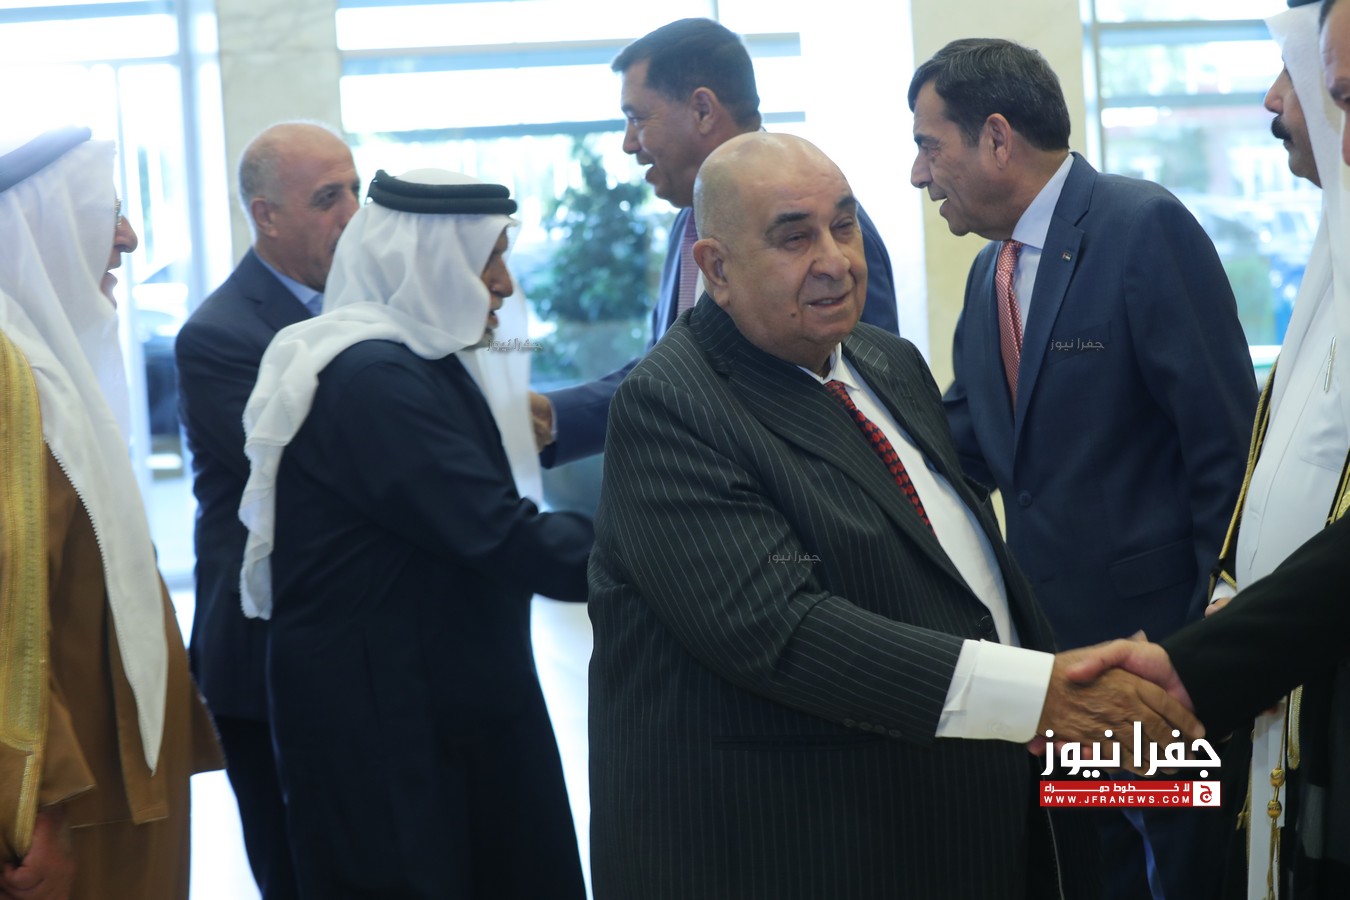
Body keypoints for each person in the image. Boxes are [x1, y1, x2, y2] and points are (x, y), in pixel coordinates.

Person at [587, 131, 1207, 900]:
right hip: (806, 847)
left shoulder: (886, 361)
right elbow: (782, 631)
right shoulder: (671, 405)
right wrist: (1036, 695)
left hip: (970, 818)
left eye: (844, 225)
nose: (836, 261)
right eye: (794, 238)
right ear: (715, 268)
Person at [909, 37, 1257, 899]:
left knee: (1185, 873)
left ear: (996, 137)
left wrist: (1202, 644)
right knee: (1100, 876)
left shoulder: (1141, 227)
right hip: (1060, 673)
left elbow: (1224, 446)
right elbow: (967, 447)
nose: (919, 174)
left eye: (929, 146)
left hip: (1159, 664)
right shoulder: (988, 272)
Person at [236, 168, 593, 899]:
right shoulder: (372, 379)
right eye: (488, 262)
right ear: (428, 265)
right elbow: (498, 532)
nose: (503, 286)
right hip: (387, 724)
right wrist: (664, 553)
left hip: (431, 696)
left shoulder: (411, 362)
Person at [1078, 3, 1350, 895]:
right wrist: (1225, 605)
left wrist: (1198, 662)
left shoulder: (1140, 228)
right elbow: (1266, 467)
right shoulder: (1330, 264)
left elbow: (1212, 440)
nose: (1277, 102)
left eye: (1327, 93)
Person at [0, 126, 222, 899]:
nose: (126, 239)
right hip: (69, 810)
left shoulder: (50, 371)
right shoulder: (11, 382)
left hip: (116, 783)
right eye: (107, 213)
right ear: (41, 227)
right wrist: (34, 808)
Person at [534, 17, 900, 466]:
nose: (629, 143)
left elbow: (869, 393)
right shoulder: (689, 222)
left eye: (637, 118)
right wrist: (553, 416)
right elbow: (670, 378)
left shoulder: (838, 238)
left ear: (703, 110)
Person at [174, 120, 359, 900]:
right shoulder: (220, 335)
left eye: (356, 190)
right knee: (297, 869)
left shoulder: (363, 305)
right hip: (266, 653)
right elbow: (315, 472)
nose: (352, 214)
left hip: (351, 646)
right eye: (328, 198)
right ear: (266, 215)